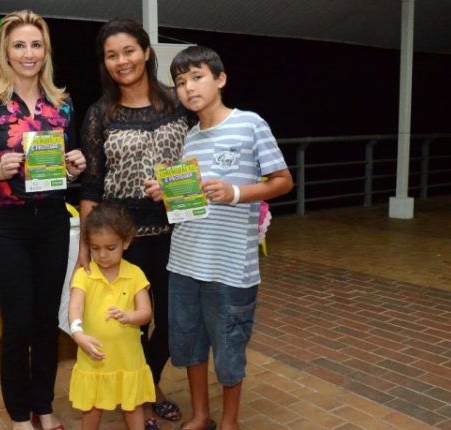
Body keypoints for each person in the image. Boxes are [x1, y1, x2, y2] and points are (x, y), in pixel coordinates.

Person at [145, 45, 293, 430]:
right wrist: (167, 193)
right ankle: (201, 415)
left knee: (228, 348)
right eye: (181, 82)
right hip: (184, 262)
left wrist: (235, 193)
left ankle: (230, 421)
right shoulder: (190, 138)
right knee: (189, 344)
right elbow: (189, 205)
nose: (189, 88)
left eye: (197, 77)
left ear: (220, 79)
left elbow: (283, 181)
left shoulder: (250, 124)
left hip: (230, 269)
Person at [0, 10, 85, 430]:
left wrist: (75, 167)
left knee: (47, 320)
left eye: (36, 45)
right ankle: (18, 415)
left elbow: (65, 168)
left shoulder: (62, 104)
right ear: (5, 52)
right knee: (18, 322)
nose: (28, 53)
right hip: (5, 224)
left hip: (52, 221)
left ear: (46, 51)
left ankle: (43, 407)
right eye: (19, 45)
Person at [78, 18, 192, 428]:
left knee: (174, 321)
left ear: (146, 52)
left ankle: (149, 381)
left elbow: (199, 163)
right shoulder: (99, 114)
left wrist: (177, 189)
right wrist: (86, 249)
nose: (122, 61)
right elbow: (91, 186)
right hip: (124, 243)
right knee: (130, 326)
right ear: (105, 62)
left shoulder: (179, 103)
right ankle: (143, 397)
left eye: (129, 51)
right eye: (112, 55)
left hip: (179, 233)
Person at [68, 202, 156, 430]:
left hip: (128, 359)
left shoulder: (135, 274)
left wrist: (129, 317)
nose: (102, 255)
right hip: (94, 358)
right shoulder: (84, 275)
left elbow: (146, 313)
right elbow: (75, 307)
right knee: (92, 407)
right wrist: (77, 333)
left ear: (126, 242)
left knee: (133, 405)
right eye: (95, 248)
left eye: (110, 248)